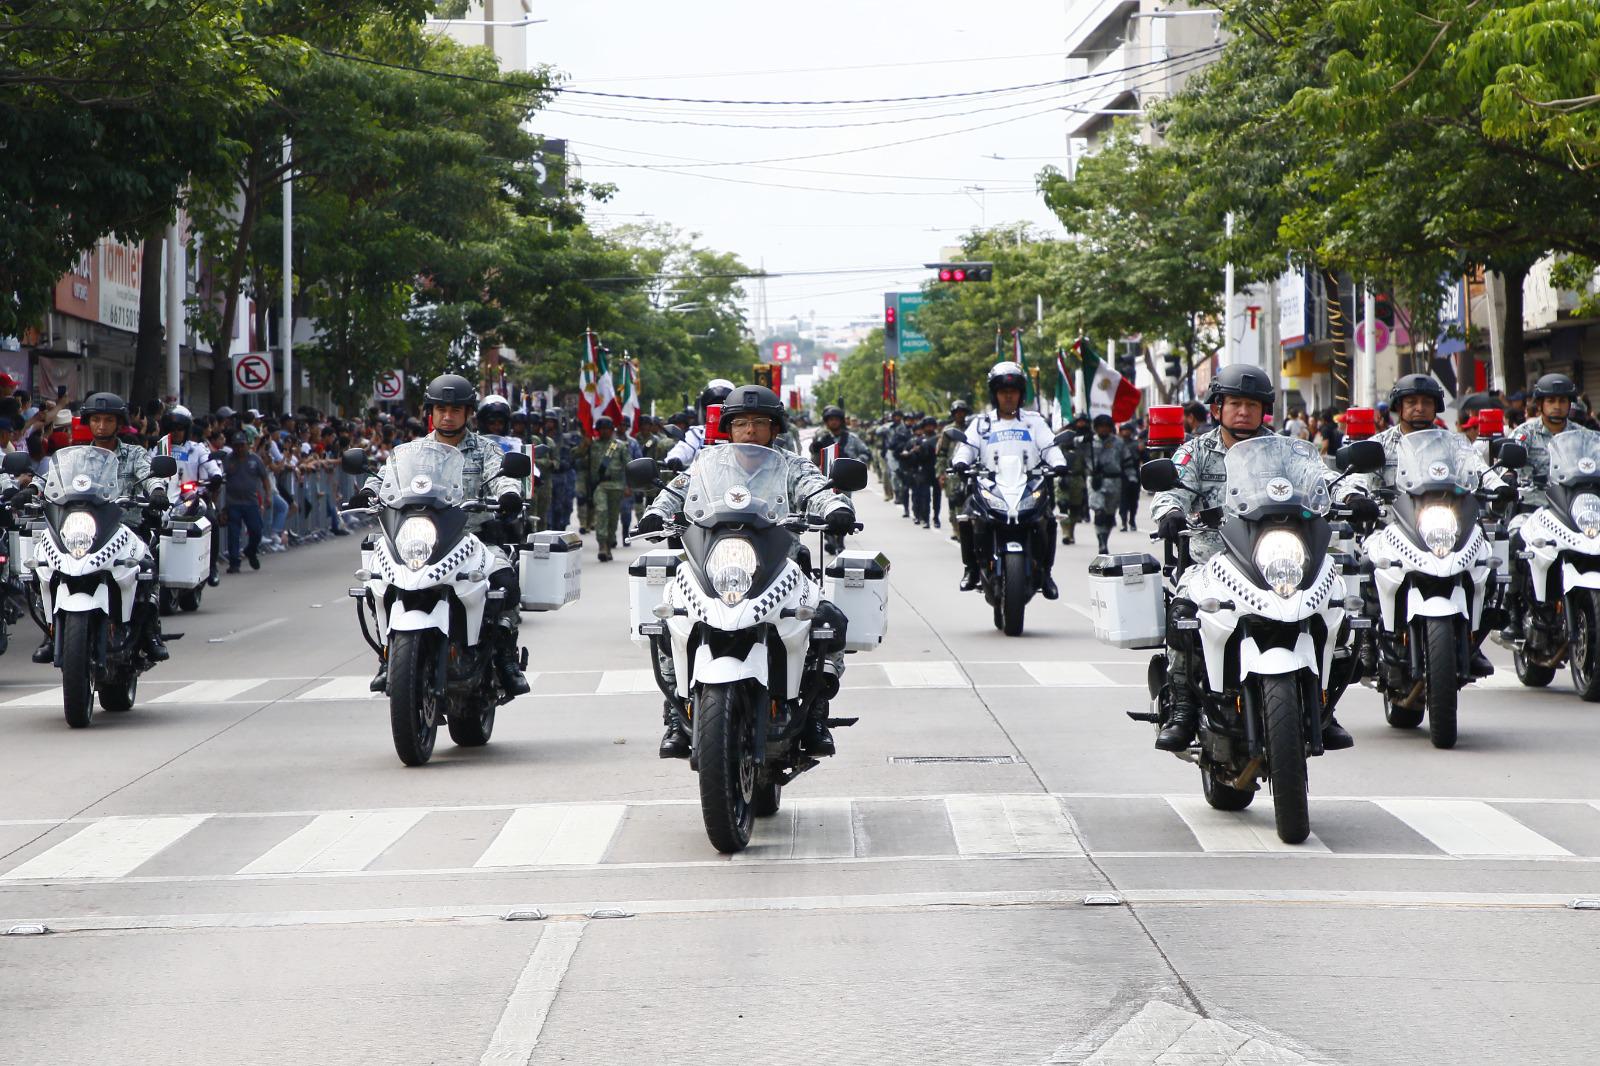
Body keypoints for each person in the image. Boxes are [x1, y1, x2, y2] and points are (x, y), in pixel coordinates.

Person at [634, 384, 855, 758]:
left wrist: (834, 508)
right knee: (673, 618)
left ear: (774, 428)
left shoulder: (792, 464)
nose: (749, 431)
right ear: (729, 428)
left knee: (825, 620)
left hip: (779, 557)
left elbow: (816, 488)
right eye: (740, 424)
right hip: (717, 558)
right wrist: (655, 513)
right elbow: (677, 491)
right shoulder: (709, 463)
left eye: (759, 423)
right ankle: (675, 716)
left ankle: (815, 711)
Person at [1149, 365, 1355, 753]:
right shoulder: (1195, 451)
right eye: (1235, 404)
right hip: (1212, 560)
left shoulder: (1286, 451)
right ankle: (1184, 709)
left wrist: (1349, 498)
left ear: (1265, 411)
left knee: (1336, 609)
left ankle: (1323, 706)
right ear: (1217, 408)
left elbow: (1321, 480)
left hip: (1278, 559)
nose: (1243, 412)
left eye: (1252, 405)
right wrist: (1170, 512)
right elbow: (1170, 491)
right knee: (1182, 615)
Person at [353, 374, 530, 696]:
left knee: (506, 582)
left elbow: (501, 476)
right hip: (418, 537)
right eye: (441, 409)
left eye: (455, 409)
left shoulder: (485, 450)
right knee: (377, 582)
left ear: (468, 413)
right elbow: (383, 478)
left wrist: (508, 493)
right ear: (430, 412)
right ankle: (387, 657)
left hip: (473, 535)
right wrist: (367, 492)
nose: (447, 416)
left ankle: (505, 658)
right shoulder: (411, 451)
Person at [33, 393, 170, 663]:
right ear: (88, 422)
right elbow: (50, 479)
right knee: (42, 564)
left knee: (146, 565)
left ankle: (151, 632)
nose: (102, 425)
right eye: (96, 419)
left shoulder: (134, 454)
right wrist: (30, 490)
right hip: (81, 527)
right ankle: (51, 631)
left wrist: (157, 491)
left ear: (119, 424)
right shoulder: (78, 456)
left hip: (125, 525)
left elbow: (150, 477)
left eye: (108, 420)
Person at [951, 362, 1070, 598]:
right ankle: (972, 569)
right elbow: (967, 448)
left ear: (1020, 394)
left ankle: (1046, 573)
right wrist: (961, 462)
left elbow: (1049, 446)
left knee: (1048, 520)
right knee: (967, 518)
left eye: (1013, 391)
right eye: (1003, 392)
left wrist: (1059, 463)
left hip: (1028, 485)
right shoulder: (982, 423)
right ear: (995, 395)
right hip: (991, 486)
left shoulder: (1034, 421)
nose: (1008, 396)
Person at [1501, 373, 1581, 641]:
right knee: (1513, 538)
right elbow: (1506, 467)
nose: (1557, 406)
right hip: (1533, 510)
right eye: (1551, 401)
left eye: (1562, 400)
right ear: (1540, 404)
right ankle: (1512, 611)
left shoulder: (1583, 437)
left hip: (1574, 513)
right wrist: (1509, 478)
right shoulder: (1524, 434)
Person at [222, 431, 273, 574]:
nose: (239, 448)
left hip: (251, 503)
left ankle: (250, 551)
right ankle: (234, 563)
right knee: (233, 533)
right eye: (236, 446)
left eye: (242, 445)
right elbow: (219, 476)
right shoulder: (228, 460)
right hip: (233, 503)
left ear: (247, 445)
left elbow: (265, 479)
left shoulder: (255, 460)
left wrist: (268, 495)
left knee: (256, 531)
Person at [581, 415, 631, 562]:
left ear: (611, 430)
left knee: (613, 518)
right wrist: (584, 442)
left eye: (607, 429)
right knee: (601, 512)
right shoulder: (592, 445)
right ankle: (602, 545)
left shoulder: (620, 446)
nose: (604, 432)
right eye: (601, 429)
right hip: (600, 486)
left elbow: (629, 466)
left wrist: (629, 486)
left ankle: (609, 544)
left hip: (617, 486)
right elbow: (576, 456)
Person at [662, 378, 735, 471]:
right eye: (713, 407)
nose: (718, 411)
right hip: (700, 482)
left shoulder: (740, 432)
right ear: (704, 409)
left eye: (722, 406)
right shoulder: (697, 433)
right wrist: (674, 459)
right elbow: (683, 448)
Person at [1086, 415, 1129, 554]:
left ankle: (1105, 536)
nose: (1103, 429)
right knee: (1099, 512)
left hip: (1114, 481)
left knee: (1110, 515)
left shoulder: (1119, 443)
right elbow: (1071, 444)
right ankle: (1101, 542)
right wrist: (1082, 437)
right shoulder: (1089, 442)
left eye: (1106, 426)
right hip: (1096, 481)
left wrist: (1132, 478)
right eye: (1100, 426)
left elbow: (1127, 461)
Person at [935, 401, 972, 539]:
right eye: (957, 412)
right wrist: (941, 474)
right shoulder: (948, 431)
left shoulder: (972, 428)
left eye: (962, 412)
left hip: (970, 470)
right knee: (954, 500)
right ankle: (957, 528)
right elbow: (941, 454)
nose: (960, 415)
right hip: (953, 472)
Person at [899, 415, 939, 527]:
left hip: (936, 469)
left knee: (937, 495)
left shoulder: (939, 439)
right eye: (927, 426)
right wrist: (915, 452)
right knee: (923, 496)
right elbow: (910, 457)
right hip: (922, 471)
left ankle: (936, 518)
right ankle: (924, 518)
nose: (929, 428)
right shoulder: (918, 440)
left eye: (931, 426)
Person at [1117, 421, 1144, 532]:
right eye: (1123, 430)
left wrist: (1142, 450)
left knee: (1133, 500)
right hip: (1121, 476)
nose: (1125, 432)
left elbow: (1145, 458)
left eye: (1127, 430)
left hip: (1135, 475)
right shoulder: (1117, 444)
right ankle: (1124, 522)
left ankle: (1132, 520)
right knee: (1122, 501)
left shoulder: (1136, 444)